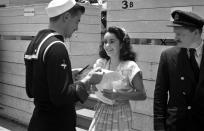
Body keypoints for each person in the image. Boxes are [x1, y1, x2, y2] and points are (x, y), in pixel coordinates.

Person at [24, 0, 103, 131]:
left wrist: (65, 76)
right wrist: (88, 80)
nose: (77, 27)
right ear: (66, 17)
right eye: (77, 21)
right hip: (57, 124)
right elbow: (62, 97)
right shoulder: (57, 47)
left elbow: (31, 90)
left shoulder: (35, 42)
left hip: (38, 122)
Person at [88, 26, 147, 131]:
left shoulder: (130, 67)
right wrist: (93, 85)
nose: (107, 45)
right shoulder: (101, 63)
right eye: (105, 42)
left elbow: (142, 94)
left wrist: (118, 95)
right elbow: (93, 85)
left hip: (121, 114)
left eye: (112, 41)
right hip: (102, 110)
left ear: (121, 44)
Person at [154, 10, 204, 131]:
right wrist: (159, 128)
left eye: (180, 34)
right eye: (175, 34)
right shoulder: (168, 56)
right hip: (176, 125)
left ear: (196, 33)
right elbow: (160, 95)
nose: (175, 38)